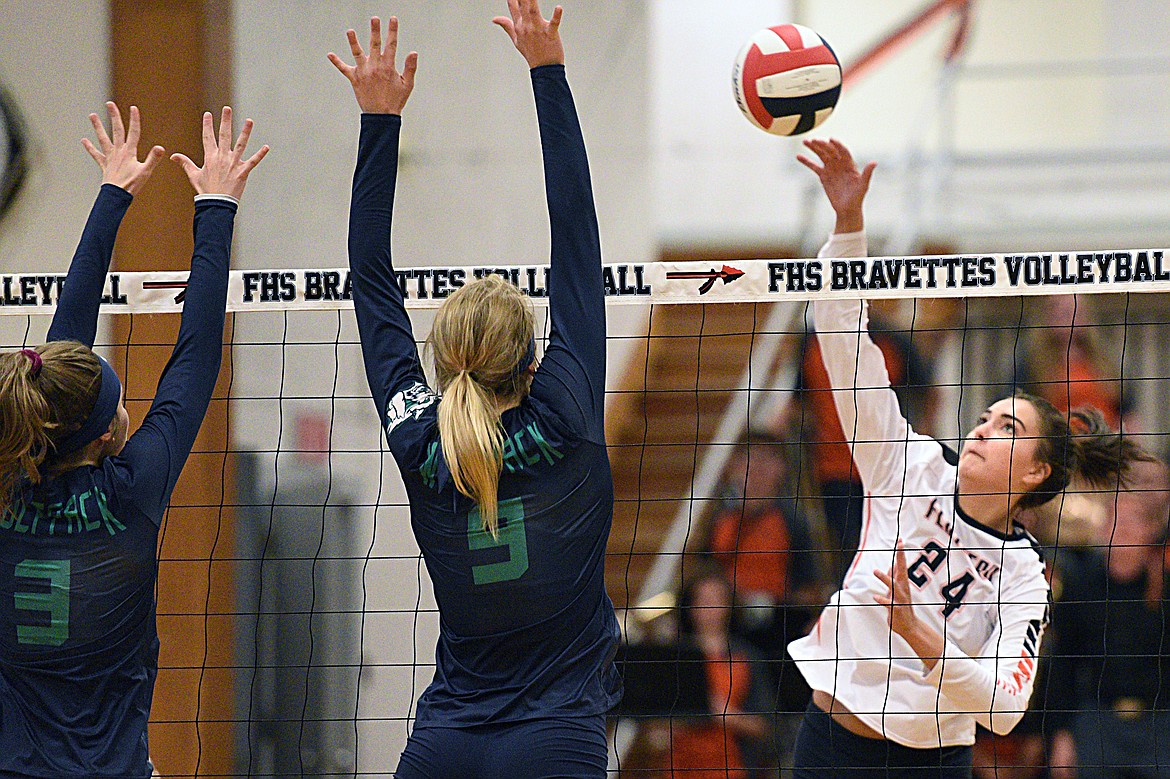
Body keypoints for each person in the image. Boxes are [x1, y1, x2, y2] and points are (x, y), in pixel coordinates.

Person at [785, 137, 1153, 778]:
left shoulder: (1023, 574)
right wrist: (847, 227)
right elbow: (843, 345)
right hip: (832, 746)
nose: (982, 429)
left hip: (931, 763)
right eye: (985, 417)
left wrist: (918, 632)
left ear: (1036, 471)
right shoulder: (908, 466)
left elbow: (1007, 711)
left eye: (1007, 426)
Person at [329, 4, 620, 777]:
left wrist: (378, 122)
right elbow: (577, 235)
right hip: (557, 737)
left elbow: (369, 281)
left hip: (446, 742)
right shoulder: (565, 408)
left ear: (443, 358)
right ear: (531, 357)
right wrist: (547, 70)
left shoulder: (421, 438)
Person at [0, 103, 267, 777]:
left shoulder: (6, 485)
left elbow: (62, 355)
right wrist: (215, 210)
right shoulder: (132, 492)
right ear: (104, 435)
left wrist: (113, 196)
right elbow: (196, 358)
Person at [1046, 458, 1170, 779]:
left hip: (1159, 725)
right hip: (1096, 723)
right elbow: (1063, 664)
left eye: (1131, 521)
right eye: (1114, 518)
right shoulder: (1081, 584)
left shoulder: (1163, 587)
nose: (1120, 529)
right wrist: (1062, 735)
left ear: (1150, 531)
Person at [659, 564, 771, 779]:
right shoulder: (673, 656)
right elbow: (655, 722)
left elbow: (766, 725)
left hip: (733, 767)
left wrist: (726, 715)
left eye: (716, 600)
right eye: (702, 600)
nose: (710, 609)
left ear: (729, 605)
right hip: (680, 766)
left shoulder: (746, 656)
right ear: (690, 606)